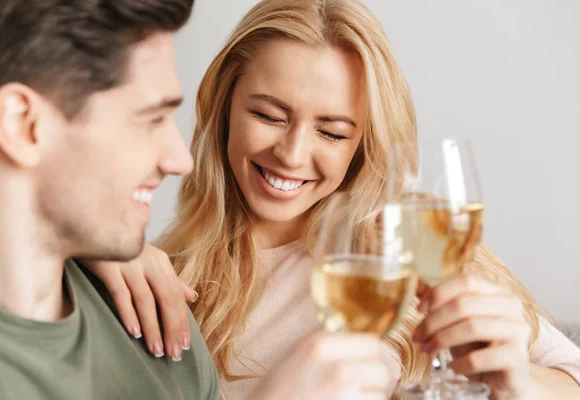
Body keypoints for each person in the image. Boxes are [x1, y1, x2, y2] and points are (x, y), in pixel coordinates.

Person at [84, 0, 580, 399]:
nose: (292, 154)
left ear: (363, 143)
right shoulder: (166, 277)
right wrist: (84, 260)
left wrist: (522, 384)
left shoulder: (413, 239)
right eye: (270, 116)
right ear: (224, 108)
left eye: (333, 132)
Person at [0, 1, 398, 399]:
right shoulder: (166, 296)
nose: (180, 160)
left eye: (333, 132)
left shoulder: (163, 324)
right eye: (150, 119)